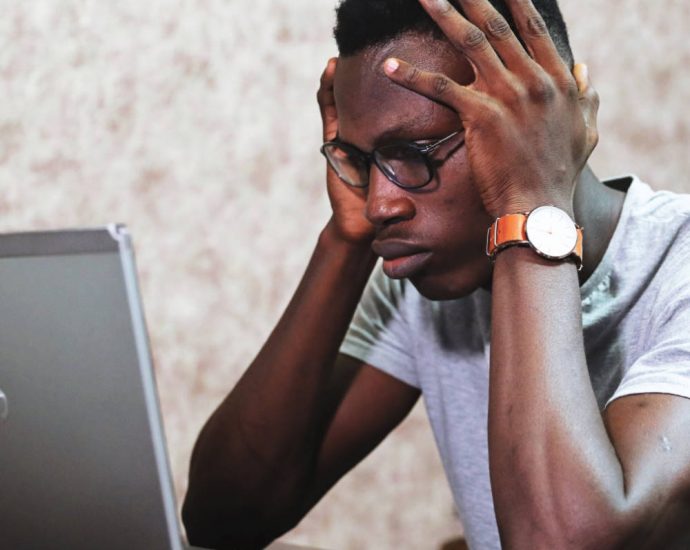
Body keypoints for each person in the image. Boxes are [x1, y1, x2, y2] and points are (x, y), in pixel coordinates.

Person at [182, 0, 690, 548]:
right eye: (360, 159)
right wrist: (344, 244)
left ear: (544, 118)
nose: (381, 204)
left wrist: (531, 204)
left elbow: (561, 540)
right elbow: (222, 520)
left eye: (412, 152)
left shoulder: (677, 264)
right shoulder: (423, 287)